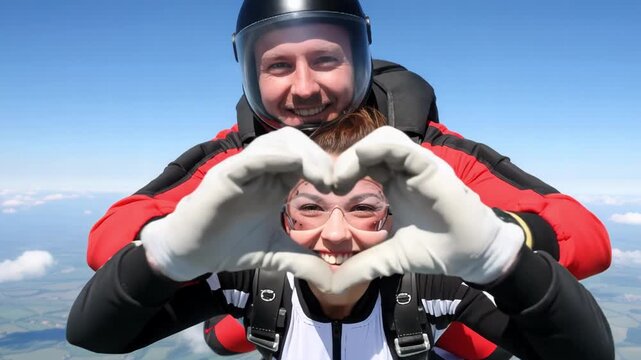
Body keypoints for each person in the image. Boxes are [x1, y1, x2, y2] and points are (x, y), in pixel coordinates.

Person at [83, 0, 611, 358]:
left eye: (326, 60)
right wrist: (206, 238)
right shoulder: (233, 163)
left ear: (359, 57)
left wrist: (472, 239)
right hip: (283, 301)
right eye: (279, 66)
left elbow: (586, 237)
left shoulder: (429, 157)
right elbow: (110, 243)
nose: (305, 88)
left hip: (428, 316)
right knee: (233, 328)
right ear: (249, 73)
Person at [66, 108, 614, 359]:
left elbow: (584, 352)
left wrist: (501, 257)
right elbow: (95, 336)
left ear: (393, 216)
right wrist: (165, 254)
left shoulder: (431, 286)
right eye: (309, 207)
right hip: (255, 315)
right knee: (222, 338)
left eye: (363, 208)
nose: (335, 235)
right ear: (281, 215)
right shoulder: (247, 279)